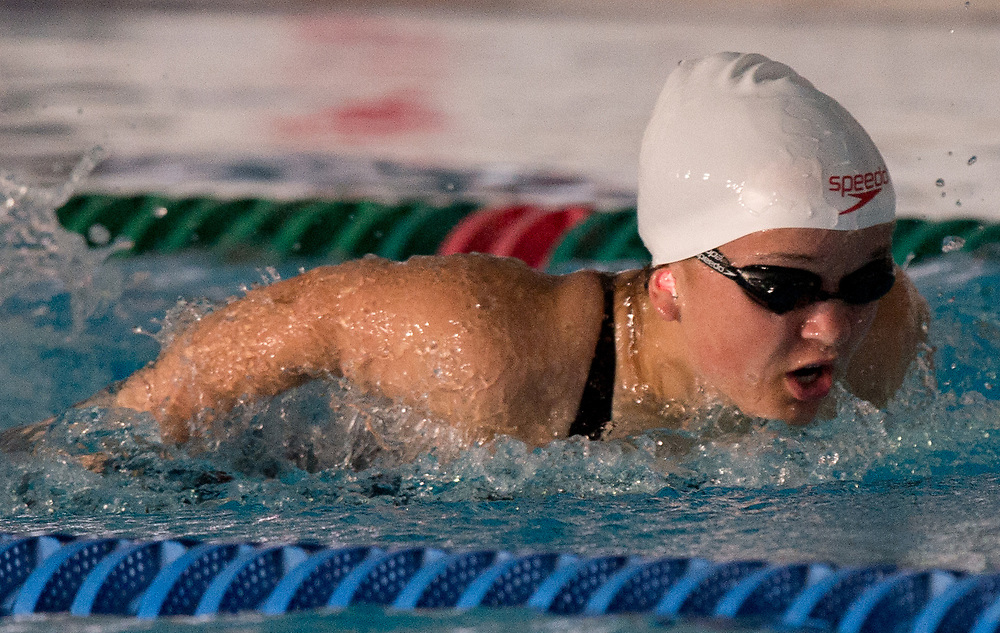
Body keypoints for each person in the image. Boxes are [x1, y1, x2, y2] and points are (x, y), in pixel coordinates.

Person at [3, 52, 929, 459]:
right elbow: (311, 317)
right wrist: (113, 438)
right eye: (783, 286)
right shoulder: (490, 350)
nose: (834, 323)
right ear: (670, 286)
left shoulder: (885, 338)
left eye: (866, 278)